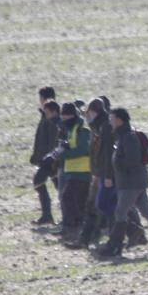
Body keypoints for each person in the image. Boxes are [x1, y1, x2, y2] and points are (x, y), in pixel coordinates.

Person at [97, 108, 148, 257]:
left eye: (112, 119)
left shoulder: (128, 137)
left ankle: (114, 246)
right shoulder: (123, 136)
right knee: (146, 211)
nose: (110, 122)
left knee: (120, 212)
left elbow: (133, 159)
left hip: (131, 183)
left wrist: (116, 163)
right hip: (133, 181)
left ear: (119, 120)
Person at [64, 98, 110, 249]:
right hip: (98, 173)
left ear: (94, 111)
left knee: (109, 208)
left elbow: (105, 154)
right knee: (94, 206)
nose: (86, 116)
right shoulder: (97, 126)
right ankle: (86, 239)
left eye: (88, 112)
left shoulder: (105, 127)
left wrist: (102, 174)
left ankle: (130, 235)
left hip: (104, 175)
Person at [57, 101, 92, 239]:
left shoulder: (82, 129)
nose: (64, 120)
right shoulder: (71, 129)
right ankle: (78, 228)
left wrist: (64, 155)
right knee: (78, 201)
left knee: (68, 198)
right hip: (72, 171)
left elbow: (83, 149)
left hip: (82, 171)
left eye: (66, 117)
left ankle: (73, 227)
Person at [31, 87, 60, 225]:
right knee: (60, 187)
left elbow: (52, 141)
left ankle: (48, 215)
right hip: (46, 159)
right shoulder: (46, 114)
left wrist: (49, 158)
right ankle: (48, 215)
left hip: (50, 160)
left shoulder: (51, 117)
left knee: (39, 182)